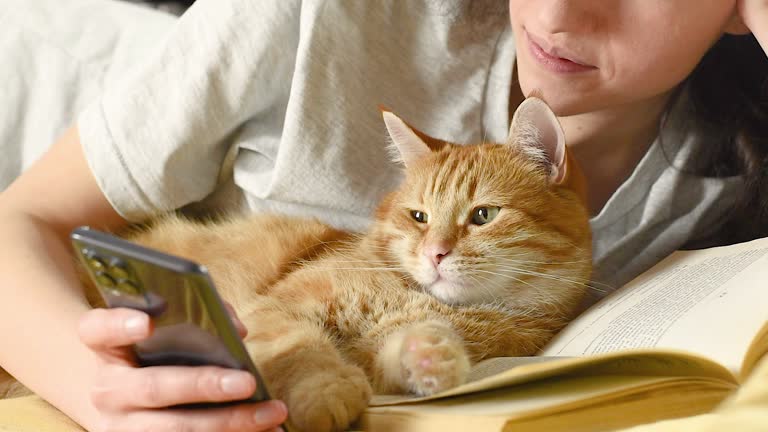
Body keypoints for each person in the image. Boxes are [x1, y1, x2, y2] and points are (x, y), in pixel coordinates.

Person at [0, 0, 766, 431]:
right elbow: (22, 218)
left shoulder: (723, 172)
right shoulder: (312, 16)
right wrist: (102, 401)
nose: (561, 15)